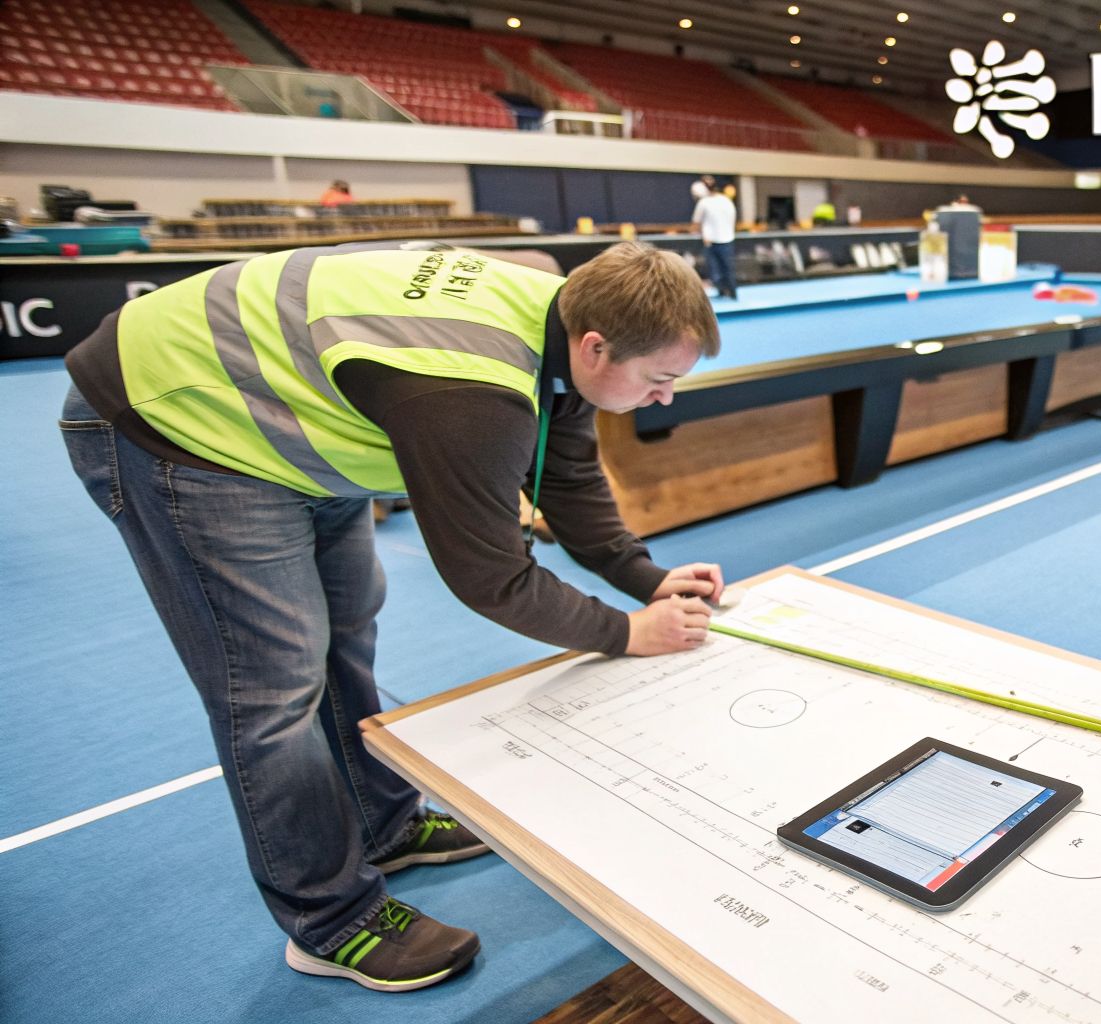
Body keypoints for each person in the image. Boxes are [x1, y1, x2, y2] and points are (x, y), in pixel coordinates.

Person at [58, 241, 725, 993]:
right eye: (661, 380)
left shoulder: (563, 315)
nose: (667, 397)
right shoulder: (473, 398)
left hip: (283, 407)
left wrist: (646, 579)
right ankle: (328, 918)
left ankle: (384, 823)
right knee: (271, 686)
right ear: (597, 346)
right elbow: (492, 577)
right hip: (175, 420)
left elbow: (565, 467)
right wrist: (626, 632)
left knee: (346, 630)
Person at [692, 180, 738, 300]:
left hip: (712, 241)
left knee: (717, 269)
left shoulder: (704, 202)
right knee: (725, 268)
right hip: (726, 239)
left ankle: (728, 292)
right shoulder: (726, 200)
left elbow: (696, 223)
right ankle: (728, 292)